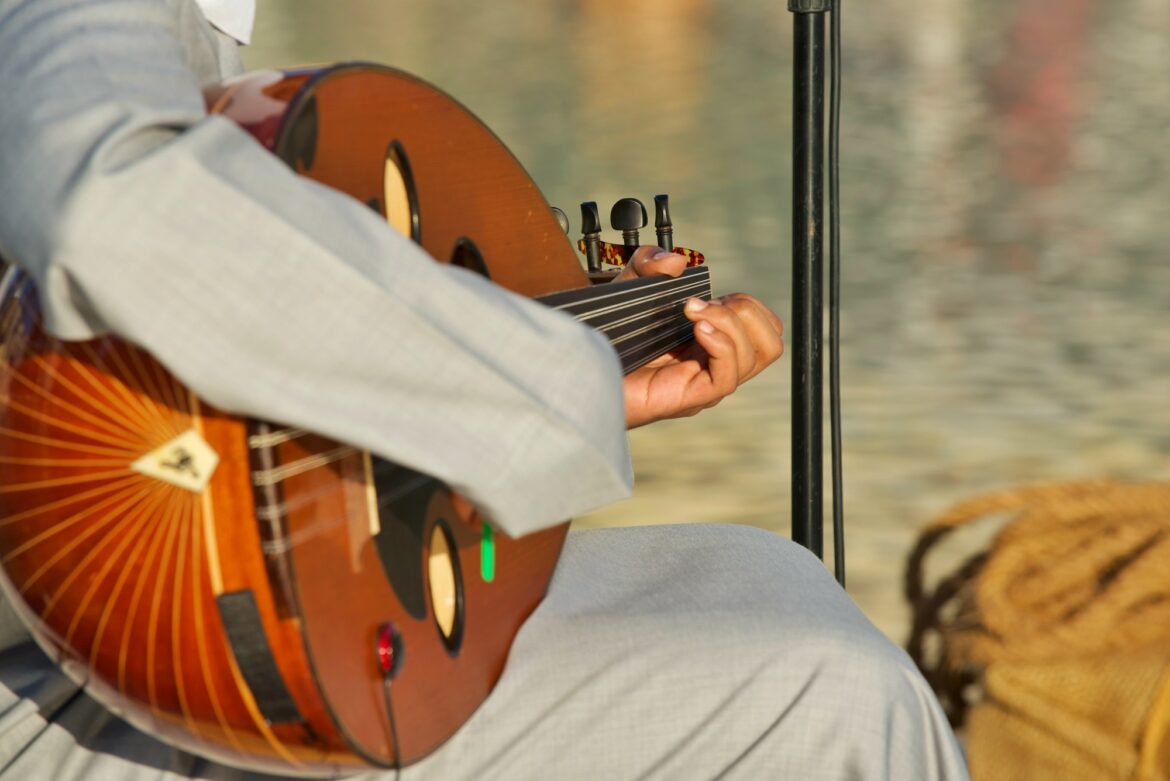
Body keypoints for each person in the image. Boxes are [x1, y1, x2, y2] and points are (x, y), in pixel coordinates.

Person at [0, 0, 970, 778]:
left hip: (117, 601)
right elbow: (114, 207)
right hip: (50, 677)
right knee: (832, 693)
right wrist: (532, 377)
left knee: (766, 582)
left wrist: (561, 355)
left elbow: (153, 372)